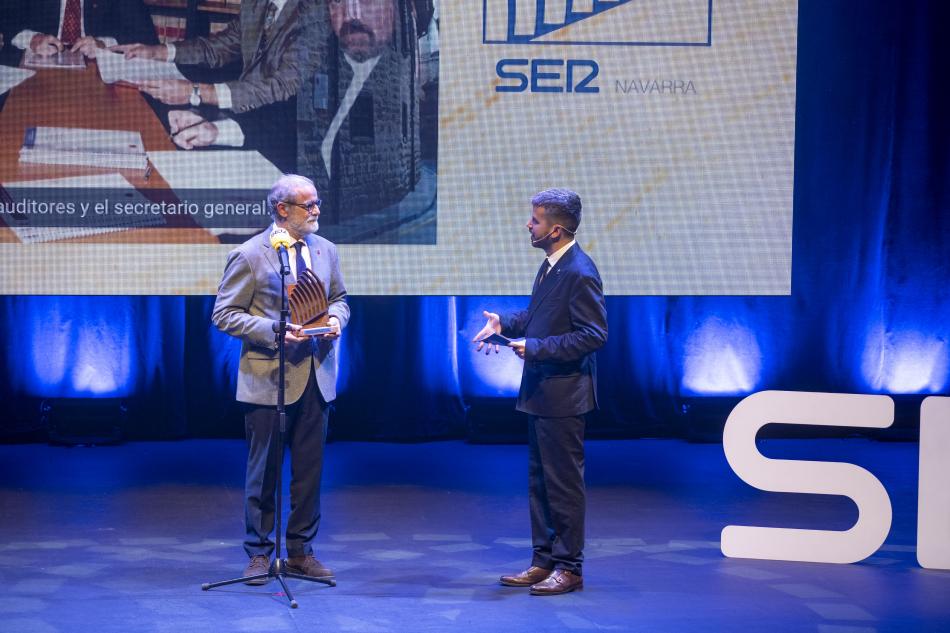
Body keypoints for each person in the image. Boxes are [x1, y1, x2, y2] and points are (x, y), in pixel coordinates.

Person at [212, 174, 349, 583]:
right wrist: (274, 329)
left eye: (317, 203)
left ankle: (301, 552)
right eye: (308, 205)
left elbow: (340, 299)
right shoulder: (251, 254)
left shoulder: (325, 250)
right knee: (263, 473)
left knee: (309, 472)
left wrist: (337, 321)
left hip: (316, 377)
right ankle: (258, 553)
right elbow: (224, 314)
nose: (316, 211)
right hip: (268, 379)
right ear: (282, 210)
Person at [473, 188, 607, 596]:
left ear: (557, 229)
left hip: (564, 396)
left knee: (563, 484)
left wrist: (536, 348)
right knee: (540, 483)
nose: (528, 225)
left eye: (535, 220)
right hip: (541, 393)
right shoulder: (553, 266)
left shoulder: (581, 271)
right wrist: (506, 324)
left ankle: (569, 566)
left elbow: (593, 334)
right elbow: (539, 316)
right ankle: (544, 560)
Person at [113, 0, 317, 114]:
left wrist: (196, 92)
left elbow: (283, 86)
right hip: (248, 114)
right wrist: (159, 52)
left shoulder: (317, 13)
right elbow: (221, 45)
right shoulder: (257, 4)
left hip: (283, 131)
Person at [6, 0, 157, 58]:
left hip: (98, 72)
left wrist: (103, 44)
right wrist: (31, 39)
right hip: (38, 67)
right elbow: (5, 18)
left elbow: (145, 36)